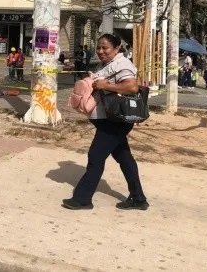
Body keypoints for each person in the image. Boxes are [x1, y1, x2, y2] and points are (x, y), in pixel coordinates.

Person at [62, 33, 148, 211]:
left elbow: (132, 86)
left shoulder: (122, 64)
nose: (101, 51)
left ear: (117, 49)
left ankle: (82, 198)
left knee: (95, 156)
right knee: (124, 157)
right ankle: (138, 198)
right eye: (99, 47)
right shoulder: (106, 64)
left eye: (105, 47)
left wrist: (105, 85)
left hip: (116, 120)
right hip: (108, 119)